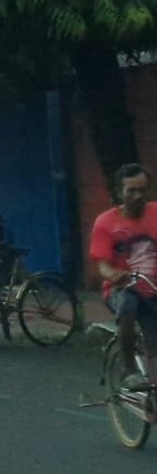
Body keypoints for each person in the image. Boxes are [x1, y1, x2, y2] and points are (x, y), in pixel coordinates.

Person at [91, 163, 157, 390]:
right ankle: (129, 371)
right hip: (121, 289)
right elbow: (103, 266)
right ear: (119, 192)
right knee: (128, 302)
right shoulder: (106, 223)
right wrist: (114, 274)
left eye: (143, 190)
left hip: (152, 288)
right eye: (132, 191)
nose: (139, 196)